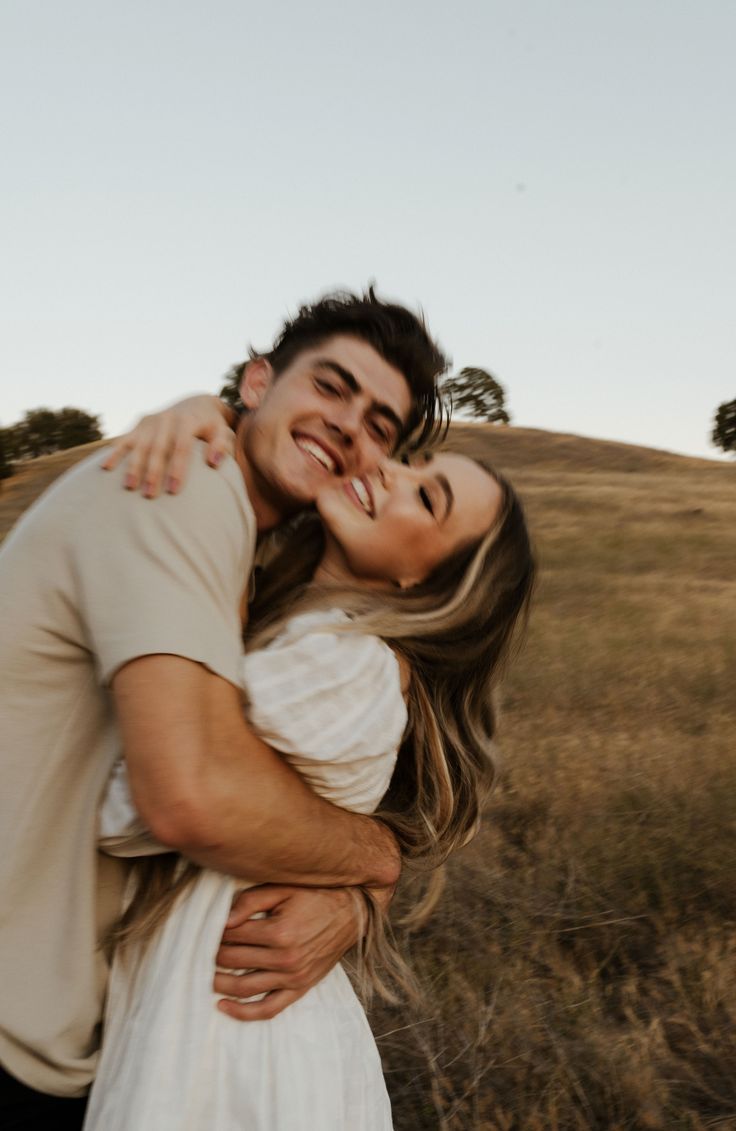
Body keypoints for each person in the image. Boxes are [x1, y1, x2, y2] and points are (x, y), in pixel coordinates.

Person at [0, 288, 448, 1130]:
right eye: (330, 386)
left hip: (74, 1031)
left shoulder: (249, 557)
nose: (350, 424)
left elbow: (286, 775)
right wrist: (376, 864)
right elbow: (192, 796)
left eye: (380, 425)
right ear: (255, 383)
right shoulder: (183, 486)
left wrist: (356, 897)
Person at [82, 399, 535, 1129]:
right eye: (411, 462)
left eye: (427, 496)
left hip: (233, 1038)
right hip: (207, 1006)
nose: (386, 470)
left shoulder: (345, 666)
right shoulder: (290, 618)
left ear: (431, 581)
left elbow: (127, 806)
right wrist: (207, 412)